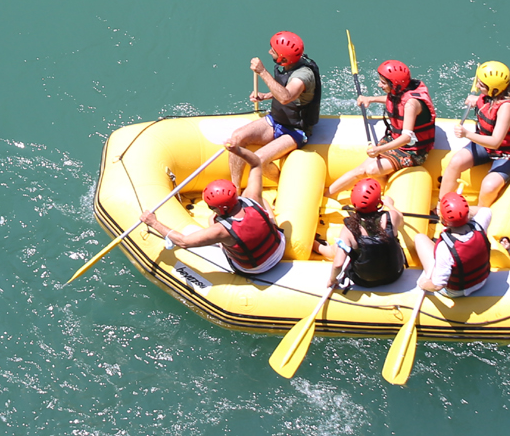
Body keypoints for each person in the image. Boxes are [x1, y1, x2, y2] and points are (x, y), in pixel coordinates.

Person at [327, 58, 436, 205]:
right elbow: (394, 100)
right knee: (361, 170)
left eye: (383, 83)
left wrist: (379, 149)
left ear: (396, 85)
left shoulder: (412, 104)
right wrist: (370, 99)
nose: (379, 84)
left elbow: (406, 138)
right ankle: (327, 196)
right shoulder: (401, 90)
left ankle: (381, 185)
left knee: (371, 170)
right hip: (394, 140)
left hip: (412, 150)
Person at [222, 32, 320, 190]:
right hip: (277, 120)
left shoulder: (303, 76)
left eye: (273, 51)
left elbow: (286, 97)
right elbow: (284, 91)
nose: (269, 52)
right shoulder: (286, 65)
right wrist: (265, 96)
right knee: (237, 137)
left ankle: (284, 185)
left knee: (259, 159)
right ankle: (236, 189)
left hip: (295, 130)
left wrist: (262, 72)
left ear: (283, 58)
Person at [138, 176, 286, 277]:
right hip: (279, 248)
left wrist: (153, 222)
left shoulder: (220, 230)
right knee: (215, 218)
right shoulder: (251, 200)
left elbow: (183, 242)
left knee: (191, 231)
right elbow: (255, 163)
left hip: (256, 268)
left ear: (221, 208)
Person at [439, 60, 510, 208]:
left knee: (489, 186)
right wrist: (476, 100)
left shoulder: (507, 108)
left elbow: (495, 141)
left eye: (481, 85)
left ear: (494, 90)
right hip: (486, 146)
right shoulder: (493, 94)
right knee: (455, 163)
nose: (477, 86)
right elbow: (487, 102)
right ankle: (442, 205)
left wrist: (466, 134)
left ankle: (481, 212)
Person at [319, 177, 405, 289]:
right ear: (379, 202)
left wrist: (332, 280)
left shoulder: (348, 230)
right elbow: (401, 219)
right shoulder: (391, 217)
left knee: (337, 248)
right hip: (395, 274)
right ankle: (320, 246)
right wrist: (390, 205)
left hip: (365, 281)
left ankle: (318, 246)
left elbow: (338, 264)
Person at [410, 191, 494, 297]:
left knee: (419, 238)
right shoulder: (480, 225)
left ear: (442, 219)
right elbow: (485, 210)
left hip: (456, 292)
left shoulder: (445, 248)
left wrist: (423, 284)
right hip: (482, 281)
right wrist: (463, 213)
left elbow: (438, 285)